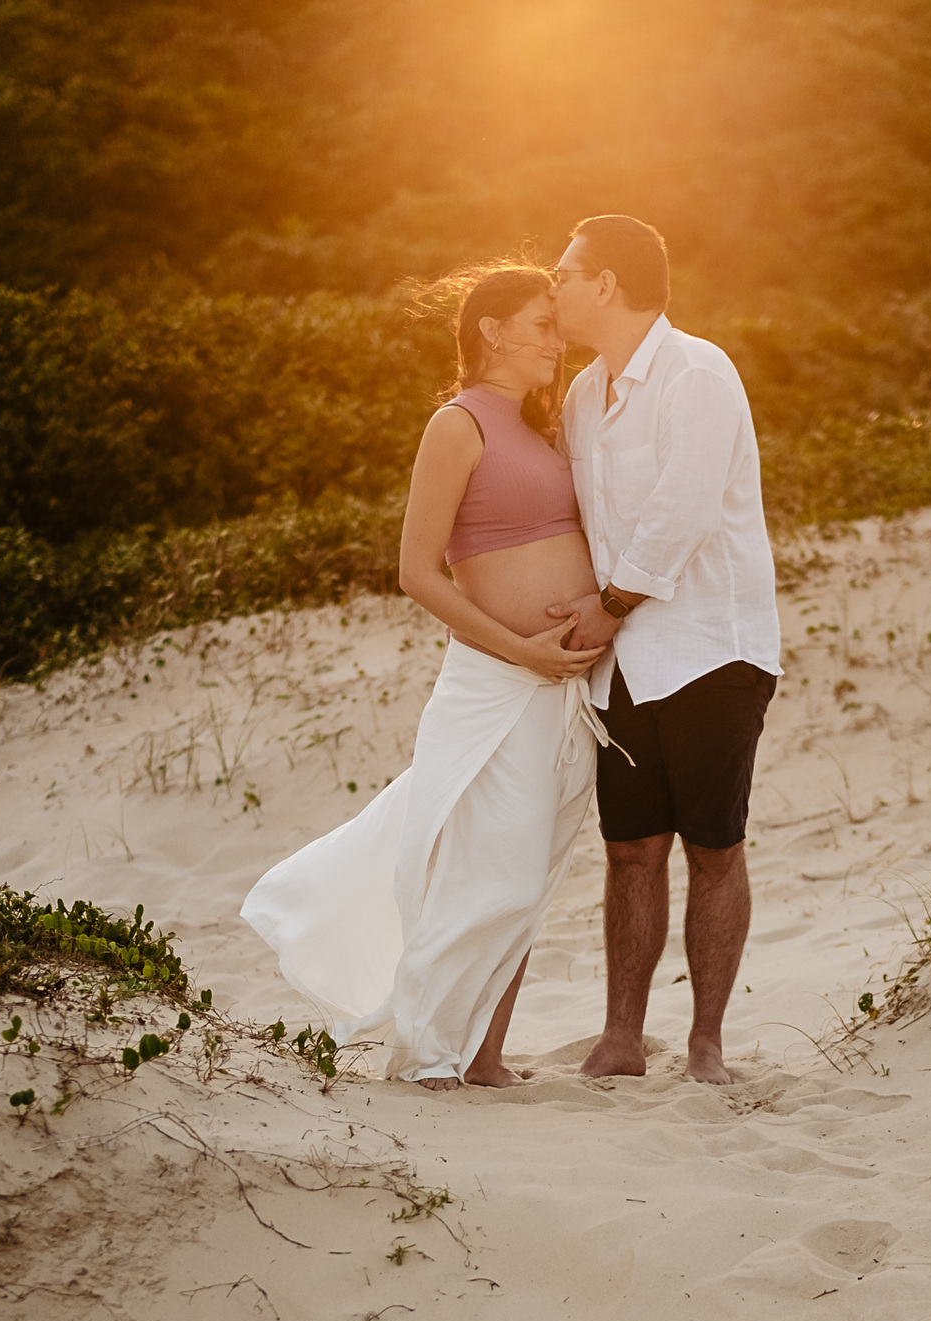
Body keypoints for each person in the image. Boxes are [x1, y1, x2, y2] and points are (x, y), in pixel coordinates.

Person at [241, 263, 612, 1090]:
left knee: (531, 878)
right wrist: (525, 652)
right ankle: (428, 1059)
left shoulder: (542, 428)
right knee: (494, 872)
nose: (558, 341)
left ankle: (481, 1055)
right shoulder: (457, 424)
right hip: (500, 682)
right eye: (542, 325)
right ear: (492, 330)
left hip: (566, 688)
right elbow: (418, 572)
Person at [549, 214, 781, 1085]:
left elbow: (680, 512)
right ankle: (620, 1039)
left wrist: (608, 606)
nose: (555, 286)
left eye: (565, 273)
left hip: (711, 648)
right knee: (630, 849)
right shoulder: (582, 395)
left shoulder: (699, 372)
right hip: (626, 663)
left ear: (605, 283)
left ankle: (706, 1045)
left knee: (713, 847)